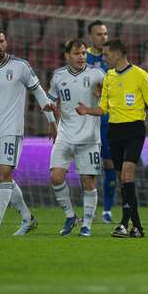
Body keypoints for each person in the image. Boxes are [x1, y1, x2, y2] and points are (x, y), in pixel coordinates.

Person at [77, 38, 148, 238]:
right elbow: (103, 108)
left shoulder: (140, 75)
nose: (103, 58)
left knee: (126, 176)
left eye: (106, 55)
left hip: (134, 131)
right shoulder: (109, 77)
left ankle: (124, 223)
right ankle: (137, 227)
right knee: (122, 180)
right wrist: (86, 110)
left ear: (118, 54)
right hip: (114, 132)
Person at [0, 29, 56, 237]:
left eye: (2, 41)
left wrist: (51, 121)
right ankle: (27, 218)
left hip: (12, 130)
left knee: (4, 173)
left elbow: (38, 92)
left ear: (6, 42)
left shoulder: (20, 66)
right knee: (2, 177)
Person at [48, 39, 104, 237]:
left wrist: (103, 93)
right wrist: (52, 124)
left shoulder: (97, 74)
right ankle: (70, 216)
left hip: (89, 137)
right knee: (56, 177)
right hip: (65, 134)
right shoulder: (58, 76)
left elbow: (109, 99)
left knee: (88, 181)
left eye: (83, 53)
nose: (81, 57)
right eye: (76, 53)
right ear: (67, 55)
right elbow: (51, 102)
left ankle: (86, 224)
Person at [85, 19, 117, 224]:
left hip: (107, 118)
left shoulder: (112, 58)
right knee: (88, 166)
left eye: (105, 34)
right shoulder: (82, 57)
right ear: (91, 36)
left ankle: (107, 210)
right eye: (99, 34)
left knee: (110, 163)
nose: (103, 38)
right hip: (86, 119)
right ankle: (90, 209)